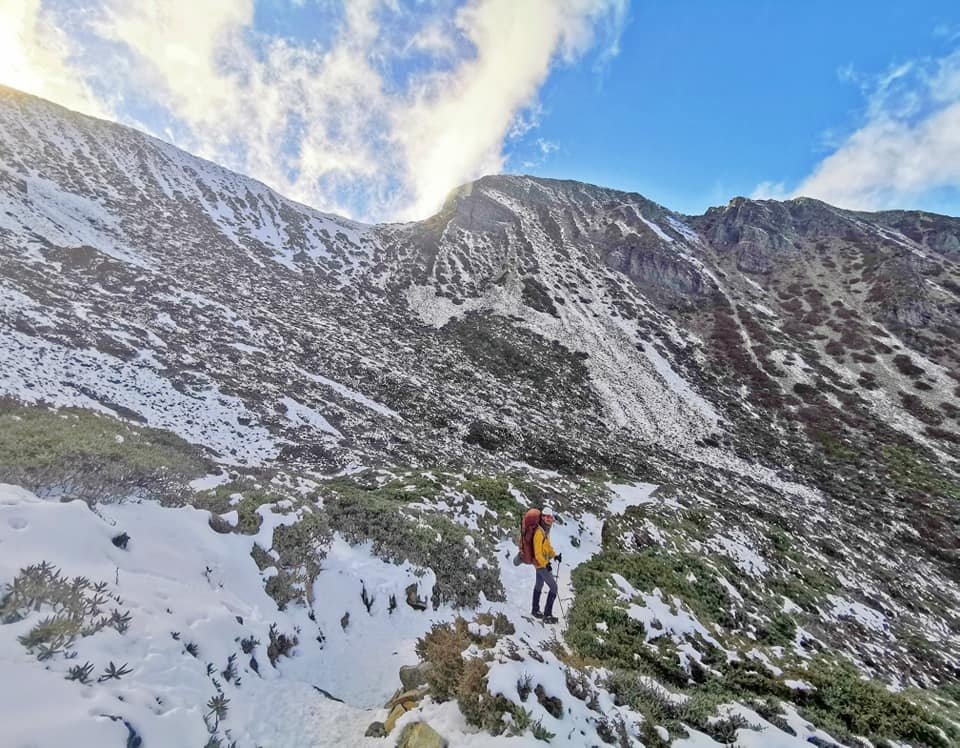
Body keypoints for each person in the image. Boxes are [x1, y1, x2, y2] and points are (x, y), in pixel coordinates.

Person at [531, 507, 562, 623]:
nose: (550, 519)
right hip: (541, 565)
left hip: (541, 564)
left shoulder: (545, 531)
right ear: (543, 517)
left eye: (551, 517)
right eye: (548, 517)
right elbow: (537, 553)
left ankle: (535, 610)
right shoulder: (539, 533)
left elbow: (547, 547)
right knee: (554, 587)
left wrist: (554, 556)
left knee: (539, 585)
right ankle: (547, 615)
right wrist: (545, 564)